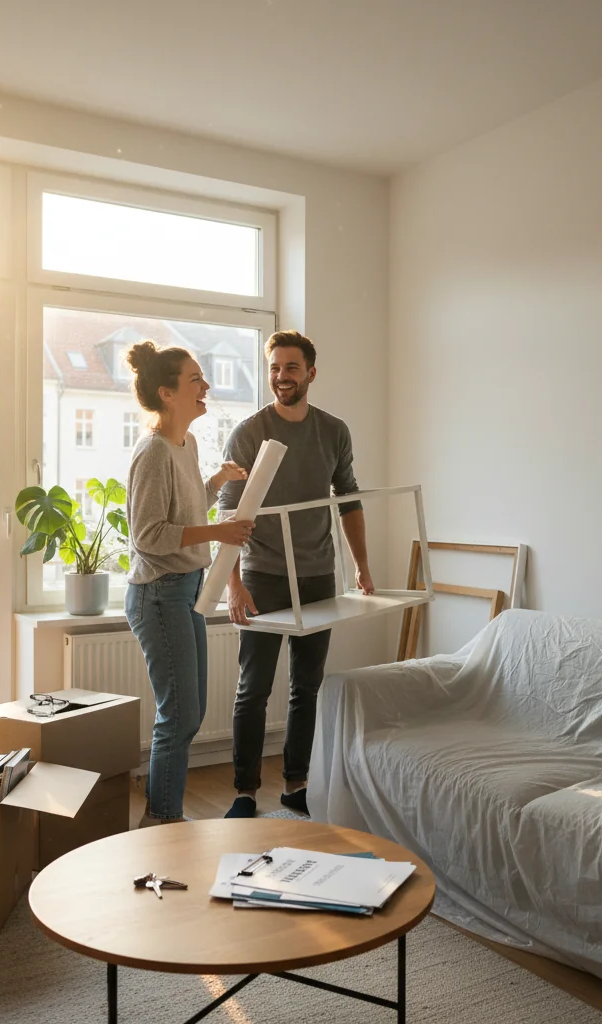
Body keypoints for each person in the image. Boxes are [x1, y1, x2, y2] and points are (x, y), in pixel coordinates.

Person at [219, 330, 374, 819]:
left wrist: (362, 566)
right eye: (273, 368)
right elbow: (229, 514)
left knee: (306, 687)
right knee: (254, 688)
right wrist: (233, 584)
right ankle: (245, 793)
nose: (281, 377)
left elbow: (349, 499)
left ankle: (295, 786)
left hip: (316, 576)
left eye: (290, 368)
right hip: (263, 575)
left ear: (310, 372)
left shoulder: (333, 431)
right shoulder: (249, 432)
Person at [124, 341, 253, 826]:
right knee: (177, 716)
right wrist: (218, 532)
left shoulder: (186, 445)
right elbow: (149, 535)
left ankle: (162, 819)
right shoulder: (153, 452)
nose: (206, 387)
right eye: (196, 379)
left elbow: (183, 510)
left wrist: (215, 483)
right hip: (158, 595)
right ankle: (162, 822)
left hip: (186, 590)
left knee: (189, 715)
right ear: (168, 392)